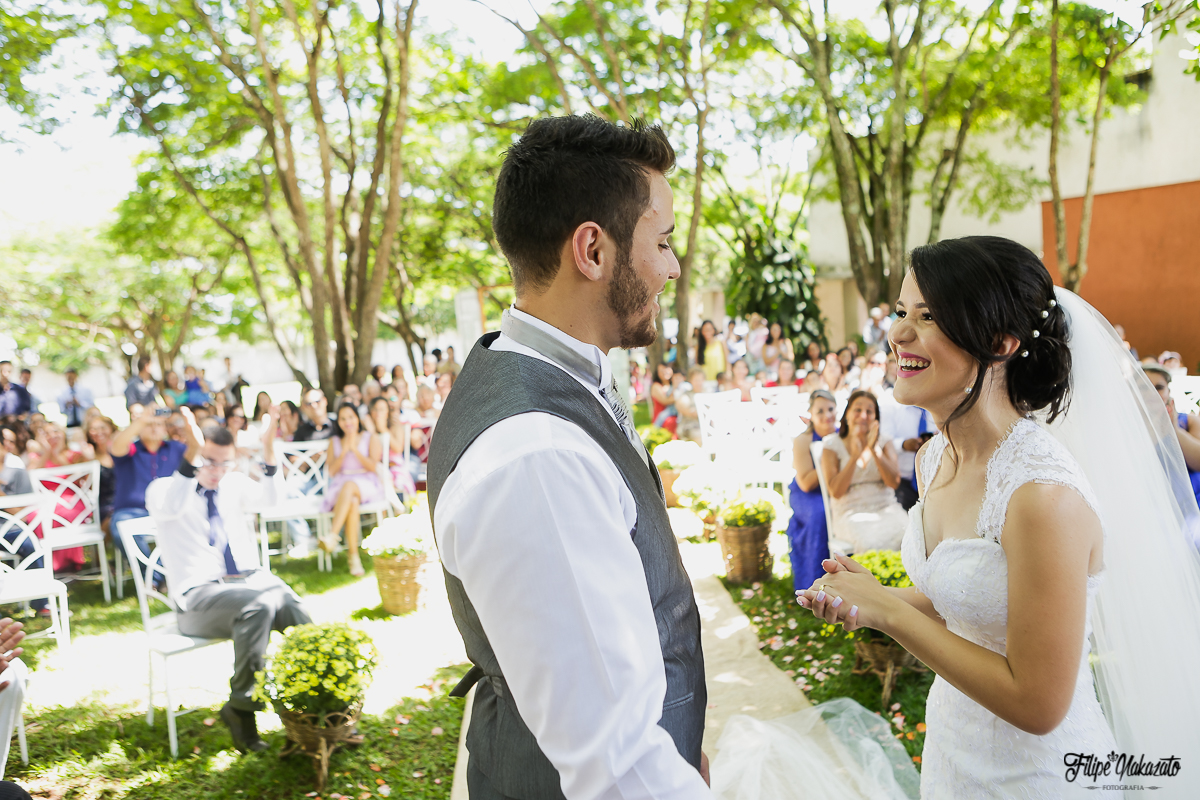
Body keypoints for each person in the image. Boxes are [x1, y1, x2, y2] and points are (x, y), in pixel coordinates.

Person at [785, 236, 1200, 798]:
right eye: (902, 311)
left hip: (1037, 776)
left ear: (1001, 343)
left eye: (929, 316)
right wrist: (868, 595)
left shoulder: (1041, 495)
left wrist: (890, 614)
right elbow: (966, 596)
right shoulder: (935, 457)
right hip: (955, 754)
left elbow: (1038, 702)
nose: (898, 333)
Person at [428, 116, 710, 798]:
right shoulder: (537, 458)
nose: (672, 268)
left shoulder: (541, 371)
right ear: (592, 249)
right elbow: (614, 764)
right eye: (663, 242)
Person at [146, 413, 312, 754]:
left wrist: (268, 450)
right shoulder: (164, 489)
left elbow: (272, 501)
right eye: (208, 461)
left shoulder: (232, 485)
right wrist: (192, 454)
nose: (216, 471)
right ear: (193, 455)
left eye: (224, 463)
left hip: (247, 583)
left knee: (291, 604)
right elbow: (173, 505)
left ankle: (317, 706)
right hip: (198, 598)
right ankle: (241, 709)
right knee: (259, 604)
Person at [819, 390, 907, 552]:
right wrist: (853, 457)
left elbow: (893, 483)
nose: (864, 415)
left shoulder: (885, 441)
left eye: (869, 411)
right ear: (847, 415)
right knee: (871, 543)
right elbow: (836, 492)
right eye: (858, 410)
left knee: (911, 536)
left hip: (886, 507)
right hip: (850, 513)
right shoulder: (831, 444)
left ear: (876, 418)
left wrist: (874, 450)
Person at [109, 406, 194, 563]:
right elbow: (116, 446)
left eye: (159, 424)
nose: (154, 428)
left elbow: (196, 455)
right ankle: (154, 577)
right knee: (121, 530)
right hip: (132, 511)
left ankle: (161, 573)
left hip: (166, 510)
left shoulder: (176, 449)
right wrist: (141, 420)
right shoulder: (131, 449)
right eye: (149, 425)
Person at [319, 402, 384, 576]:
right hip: (341, 485)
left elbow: (372, 466)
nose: (347, 422)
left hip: (366, 482)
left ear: (357, 418)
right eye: (343, 419)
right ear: (338, 422)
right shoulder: (334, 441)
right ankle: (353, 558)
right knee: (352, 500)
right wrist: (344, 451)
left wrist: (354, 449)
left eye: (350, 417)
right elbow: (332, 471)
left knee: (350, 487)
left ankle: (333, 536)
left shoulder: (370, 438)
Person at [786, 390, 838, 592]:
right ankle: (813, 585)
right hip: (808, 494)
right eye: (820, 411)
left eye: (831, 409)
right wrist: (827, 462)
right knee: (820, 515)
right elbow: (806, 482)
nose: (827, 415)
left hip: (836, 489)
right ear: (811, 415)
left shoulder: (843, 434)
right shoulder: (803, 440)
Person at [1143, 364, 1200, 510]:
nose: (1152, 392)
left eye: (1159, 387)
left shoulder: (1188, 421)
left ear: (1169, 392)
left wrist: (1172, 429)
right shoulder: (1127, 424)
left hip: (1191, 501)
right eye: (1145, 386)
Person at [880, 397, 933, 511]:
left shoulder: (937, 408)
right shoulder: (891, 407)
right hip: (903, 482)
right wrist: (903, 444)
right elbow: (883, 442)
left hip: (932, 482)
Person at [367, 396, 417, 498]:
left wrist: (384, 429)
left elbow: (398, 448)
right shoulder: (368, 432)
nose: (378, 413)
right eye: (375, 409)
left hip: (395, 469)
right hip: (376, 469)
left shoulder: (395, 427)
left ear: (387, 412)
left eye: (382, 409)